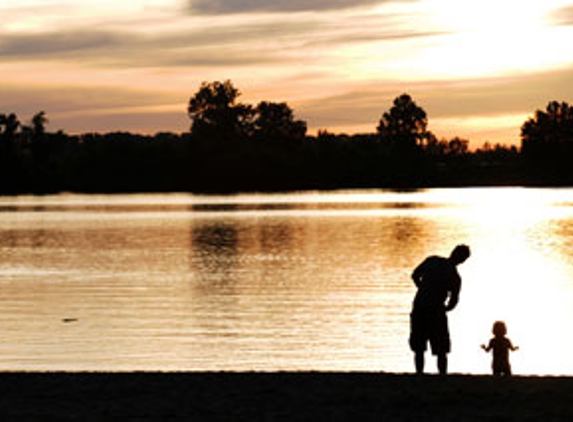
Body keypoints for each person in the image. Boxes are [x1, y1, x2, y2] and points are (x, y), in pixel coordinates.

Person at [409, 244, 471, 375]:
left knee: (420, 346)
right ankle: (441, 375)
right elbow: (453, 300)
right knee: (441, 348)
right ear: (463, 260)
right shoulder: (455, 277)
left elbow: (415, 275)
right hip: (436, 310)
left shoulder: (433, 261)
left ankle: (419, 374)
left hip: (421, 306)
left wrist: (422, 289)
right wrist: (446, 308)